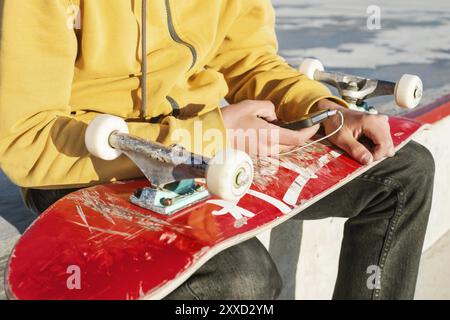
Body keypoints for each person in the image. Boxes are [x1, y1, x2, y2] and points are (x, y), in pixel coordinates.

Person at [0, 0, 434, 299]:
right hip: (88, 167)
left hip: (211, 149)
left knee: (402, 171)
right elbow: (26, 138)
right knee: (243, 282)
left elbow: (249, 59)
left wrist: (321, 107)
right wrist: (204, 134)